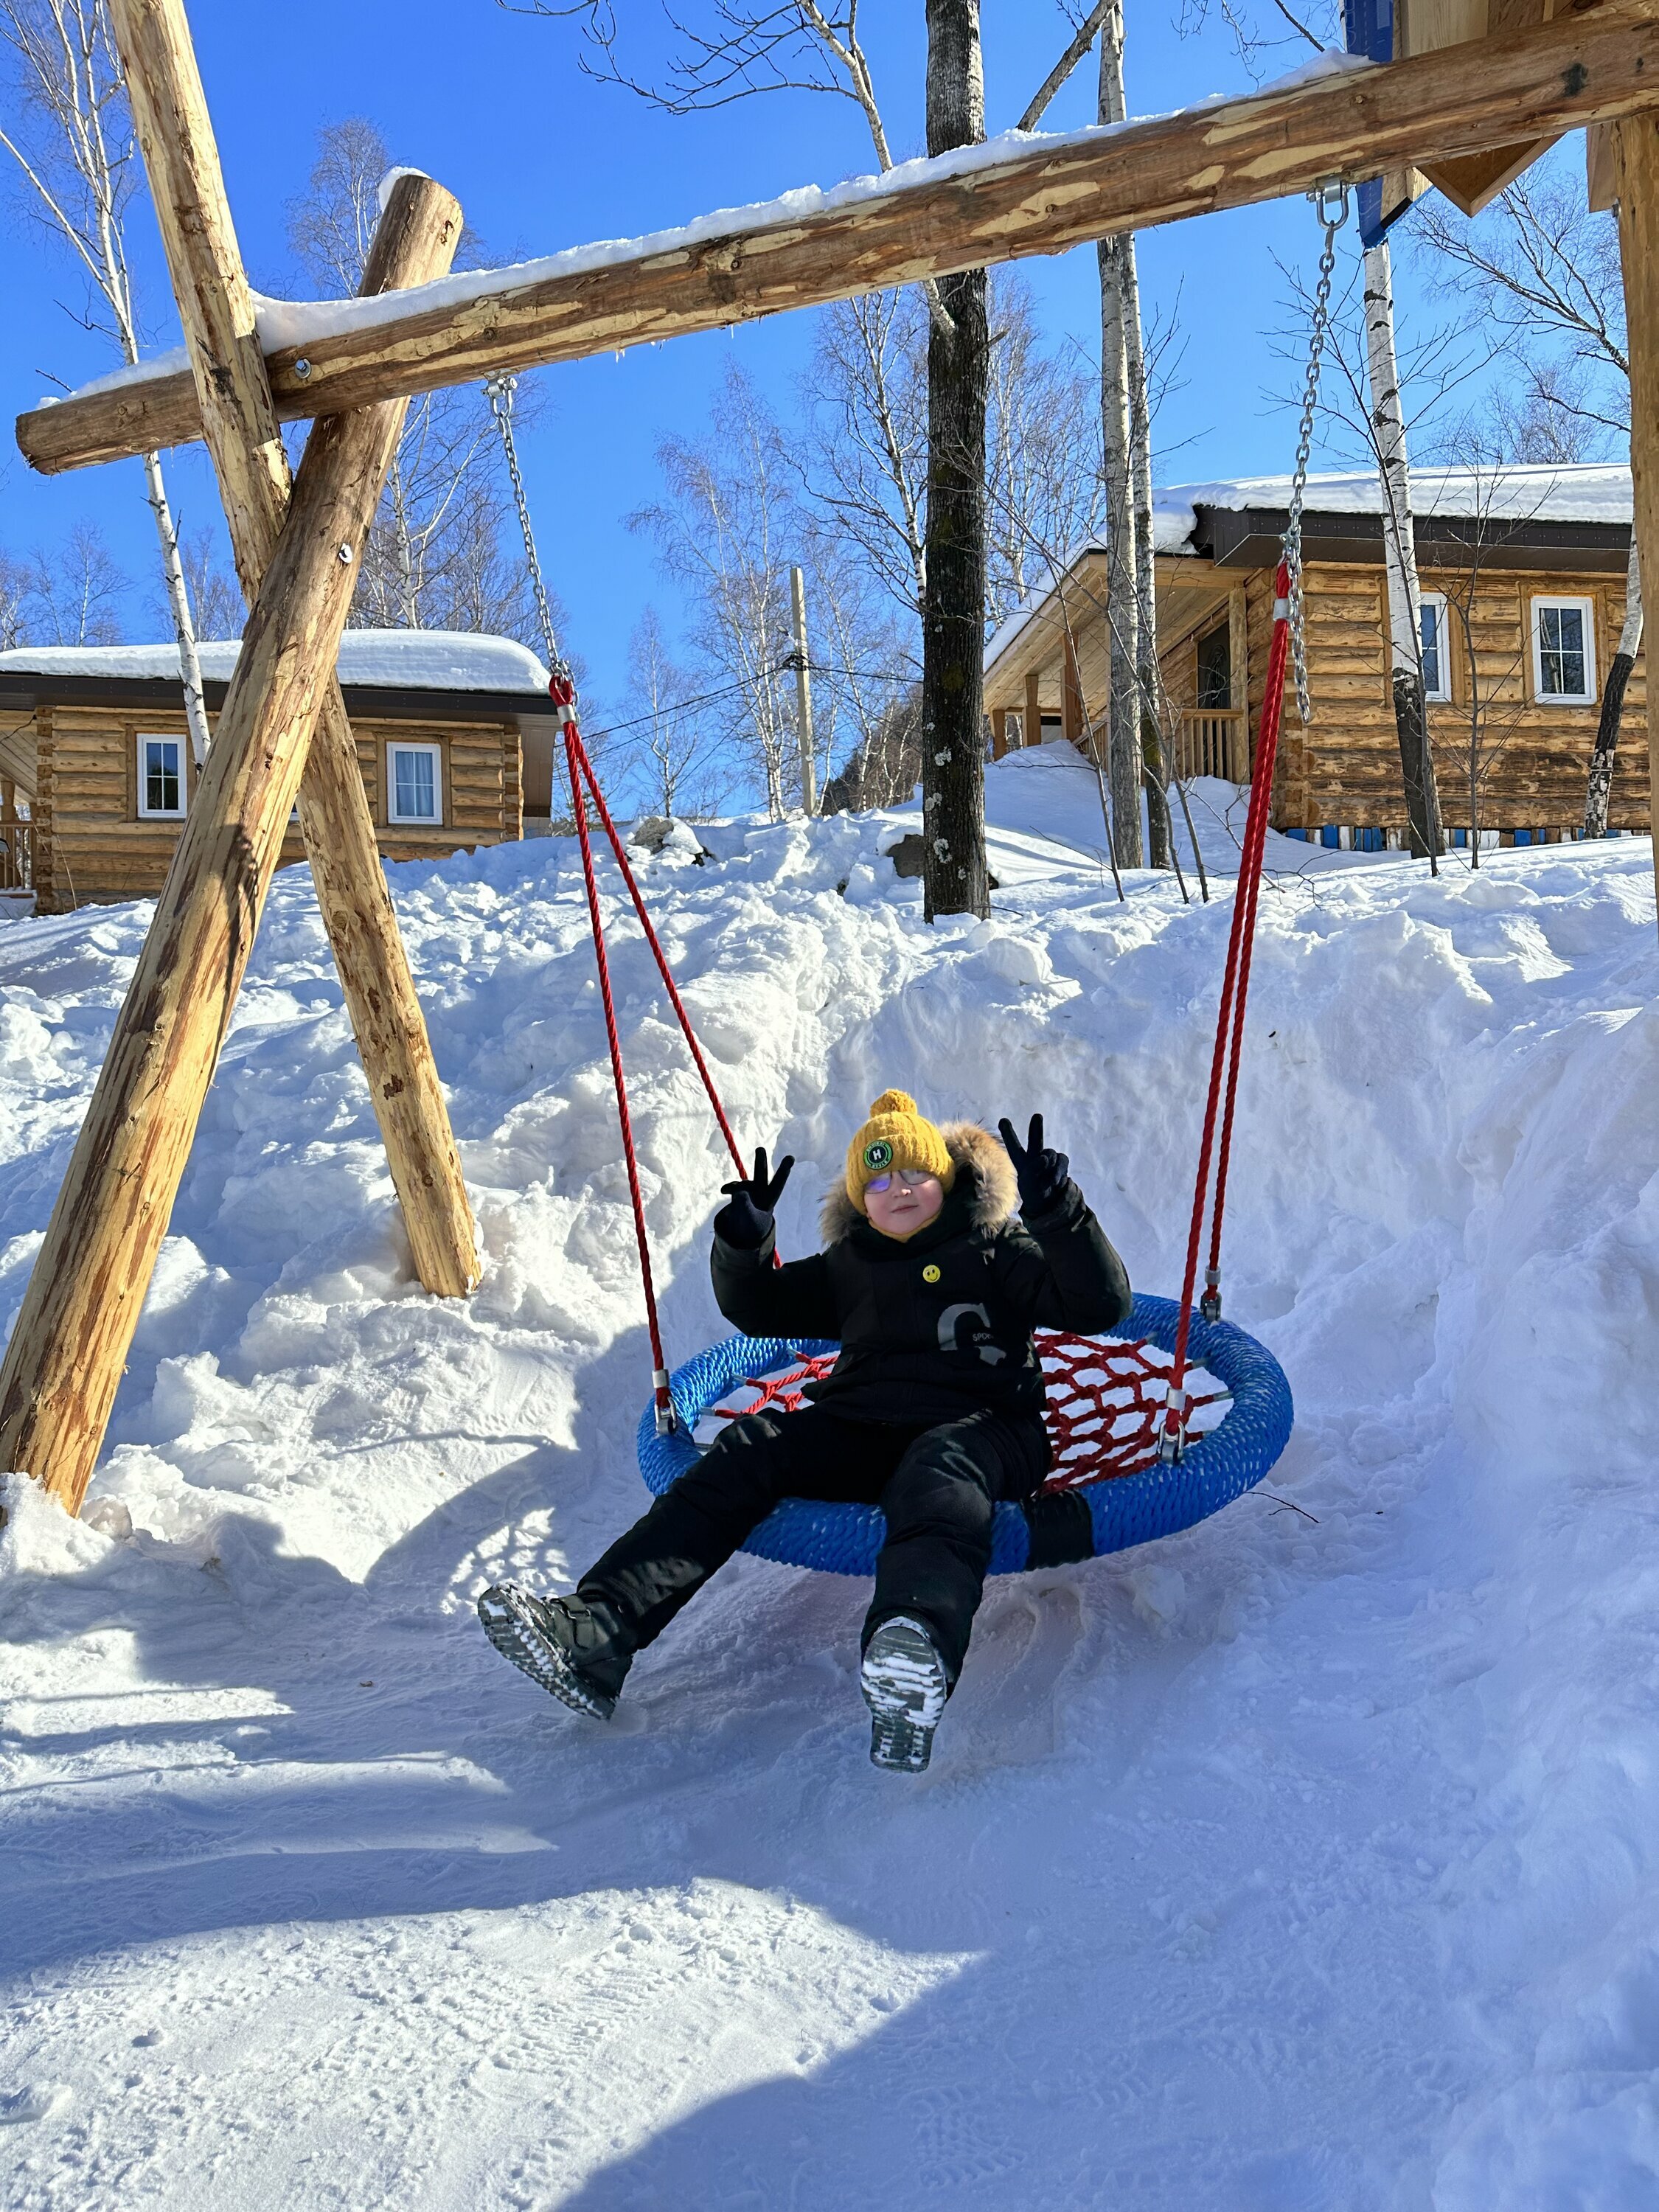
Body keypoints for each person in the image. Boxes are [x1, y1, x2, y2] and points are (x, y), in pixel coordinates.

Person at [479, 1089, 1130, 1772]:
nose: (898, 1190)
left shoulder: (999, 1248)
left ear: (945, 1178)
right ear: (859, 1199)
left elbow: (1099, 1305)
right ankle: (597, 1631)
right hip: (858, 1426)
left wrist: (1060, 1213)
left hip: (986, 1428)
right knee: (749, 1450)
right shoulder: (853, 1262)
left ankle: (917, 1650)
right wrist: (745, 1242)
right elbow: (761, 1308)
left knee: (940, 1475)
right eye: (877, 1180)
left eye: (914, 1173)